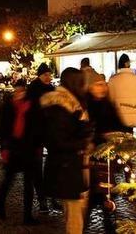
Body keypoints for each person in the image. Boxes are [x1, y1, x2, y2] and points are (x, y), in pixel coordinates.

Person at [40, 68, 93, 234]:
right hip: (66, 167)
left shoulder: (73, 105)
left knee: (75, 212)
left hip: (72, 166)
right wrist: (82, 142)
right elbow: (58, 141)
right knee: (74, 213)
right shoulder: (60, 107)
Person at [86, 72, 125, 233]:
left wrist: (117, 136)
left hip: (108, 159)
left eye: (104, 84)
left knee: (107, 196)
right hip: (92, 161)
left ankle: (110, 228)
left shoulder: (109, 105)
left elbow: (119, 125)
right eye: (98, 84)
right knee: (92, 198)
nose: (103, 88)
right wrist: (99, 136)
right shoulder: (86, 106)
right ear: (90, 87)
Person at [0, 79, 40, 225]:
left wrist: (36, 145)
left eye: (22, 91)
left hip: (28, 148)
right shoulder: (7, 106)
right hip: (13, 148)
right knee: (8, 180)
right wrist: (4, 149)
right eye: (17, 91)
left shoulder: (31, 105)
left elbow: (36, 127)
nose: (19, 94)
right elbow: (3, 129)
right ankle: (0, 208)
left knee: (29, 184)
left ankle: (27, 216)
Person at [26, 62, 55, 213]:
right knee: (37, 167)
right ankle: (42, 198)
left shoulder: (52, 89)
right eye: (46, 75)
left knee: (52, 163)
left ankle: (52, 195)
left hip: (49, 131)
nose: (49, 77)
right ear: (40, 75)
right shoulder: (32, 89)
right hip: (36, 132)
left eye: (50, 74)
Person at [108, 54, 136, 130]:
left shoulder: (113, 79)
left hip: (119, 116)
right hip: (135, 115)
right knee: (130, 137)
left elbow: (111, 98)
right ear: (128, 64)